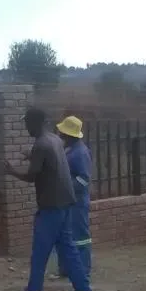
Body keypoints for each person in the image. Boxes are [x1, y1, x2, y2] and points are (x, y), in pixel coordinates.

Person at [4, 107, 93, 291]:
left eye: (27, 123)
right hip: (66, 203)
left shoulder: (41, 144)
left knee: (40, 250)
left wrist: (11, 171)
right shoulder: (54, 139)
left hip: (51, 205)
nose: (26, 127)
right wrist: (32, 156)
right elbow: (49, 163)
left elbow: (31, 176)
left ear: (34, 123)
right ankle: (83, 289)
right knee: (67, 248)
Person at [54, 115, 92, 280]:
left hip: (77, 203)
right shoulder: (69, 149)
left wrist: (66, 187)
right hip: (67, 201)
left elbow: (84, 179)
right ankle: (66, 269)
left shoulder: (80, 152)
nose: (60, 136)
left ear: (69, 135)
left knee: (80, 237)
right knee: (65, 236)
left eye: (63, 133)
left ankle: (82, 270)